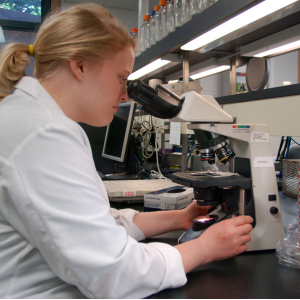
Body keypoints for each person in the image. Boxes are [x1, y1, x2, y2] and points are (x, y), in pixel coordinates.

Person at [0, 3, 253, 299]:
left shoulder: (36, 120)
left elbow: (96, 225)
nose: (124, 95)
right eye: (121, 77)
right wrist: (204, 247)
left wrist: (179, 218)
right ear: (79, 65)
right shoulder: (43, 135)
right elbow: (114, 273)